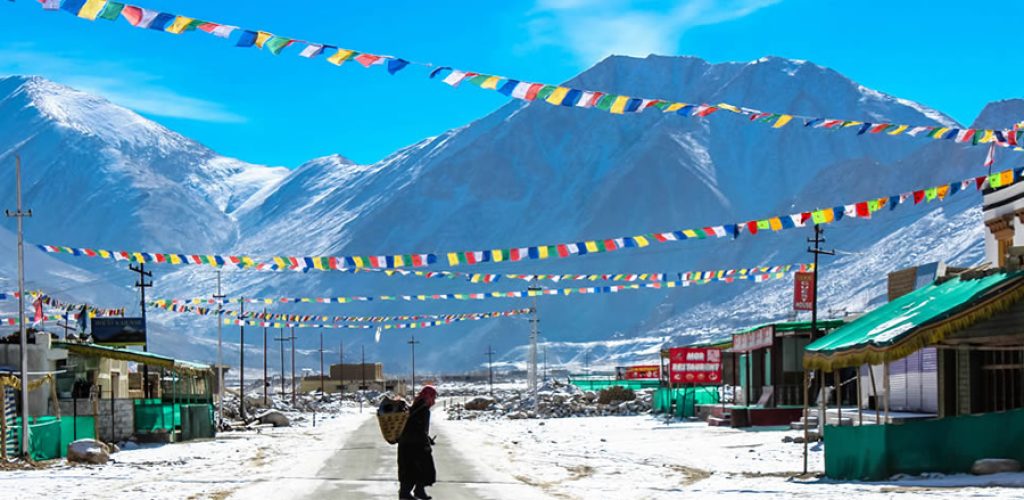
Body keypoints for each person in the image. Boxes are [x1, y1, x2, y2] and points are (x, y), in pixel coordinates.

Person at [398, 385, 437, 499]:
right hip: (414, 445)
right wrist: (426, 444)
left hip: (406, 443)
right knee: (418, 468)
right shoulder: (424, 409)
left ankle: (418, 491)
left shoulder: (416, 405)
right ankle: (405, 494)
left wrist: (427, 439)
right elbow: (420, 429)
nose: (434, 400)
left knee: (413, 469)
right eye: (433, 397)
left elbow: (414, 426)